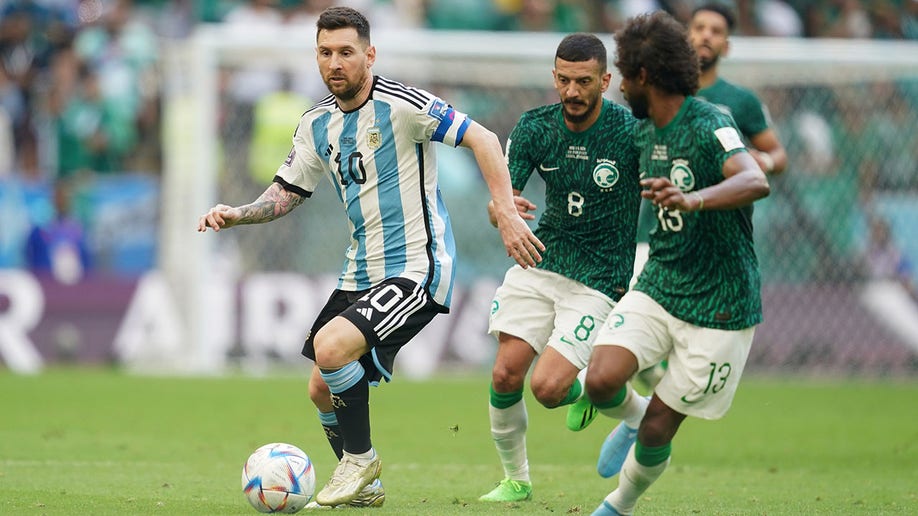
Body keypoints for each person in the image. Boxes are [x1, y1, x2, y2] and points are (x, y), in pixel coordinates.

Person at [197, 6, 544, 509]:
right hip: (361, 268)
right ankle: (367, 486)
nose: (334, 63)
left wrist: (508, 212)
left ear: (369, 54)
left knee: (330, 346)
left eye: (345, 52)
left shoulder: (404, 105)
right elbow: (287, 191)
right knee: (321, 387)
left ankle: (359, 460)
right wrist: (239, 213)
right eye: (325, 53)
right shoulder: (316, 123)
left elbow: (484, 138)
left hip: (417, 267)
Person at [585, 11, 770, 516]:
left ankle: (617, 506)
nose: (620, 85)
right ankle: (631, 415)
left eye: (624, 74)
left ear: (644, 75)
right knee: (599, 380)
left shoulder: (711, 121)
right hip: (661, 281)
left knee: (660, 428)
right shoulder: (640, 132)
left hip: (721, 302)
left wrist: (694, 200)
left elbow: (755, 179)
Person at [479, 33, 643, 503]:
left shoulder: (630, 134)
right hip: (541, 260)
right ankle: (517, 480)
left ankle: (633, 411)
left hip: (600, 277)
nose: (572, 92)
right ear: (554, 77)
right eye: (564, 80)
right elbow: (498, 203)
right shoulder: (534, 128)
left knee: (548, 388)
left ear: (605, 81)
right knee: (505, 376)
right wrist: (504, 211)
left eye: (584, 82)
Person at [689, 2, 787, 177]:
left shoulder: (742, 99)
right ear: (686, 37)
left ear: (726, 47)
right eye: (699, 28)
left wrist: (765, 160)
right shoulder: (662, 92)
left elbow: (778, 155)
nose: (706, 35)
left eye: (716, 31)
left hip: (723, 202)